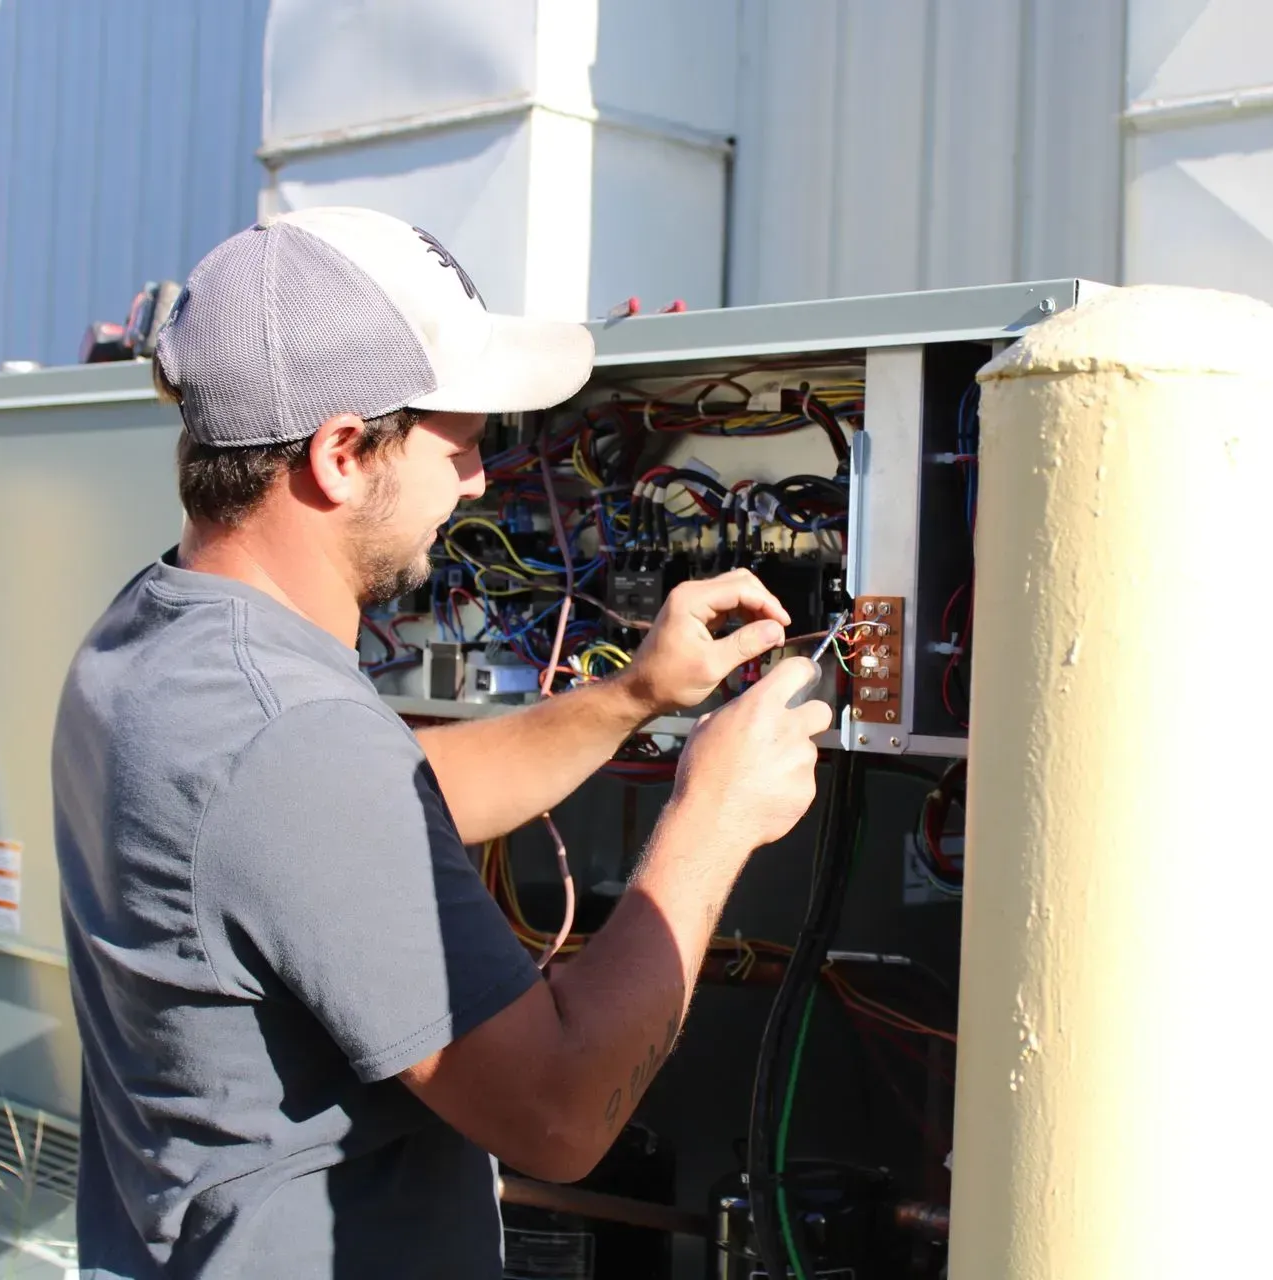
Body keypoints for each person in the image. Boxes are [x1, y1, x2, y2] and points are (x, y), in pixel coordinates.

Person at [51, 206, 831, 1278]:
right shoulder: (292, 739)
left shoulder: (152, 634)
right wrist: (715, 815)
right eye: (461, 446)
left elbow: (374, 807)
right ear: (339, 455)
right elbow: (559, 1111)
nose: (476, 484)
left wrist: (632, 695)